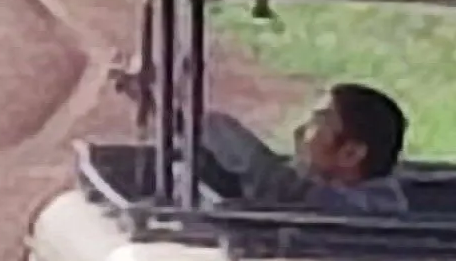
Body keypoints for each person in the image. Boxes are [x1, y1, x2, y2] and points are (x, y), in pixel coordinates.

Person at [111, 61, 410, 215]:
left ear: (351, 153)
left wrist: (177, 116)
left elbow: (276, 181)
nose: (299, 133)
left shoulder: (371, 213)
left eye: (317, 123)